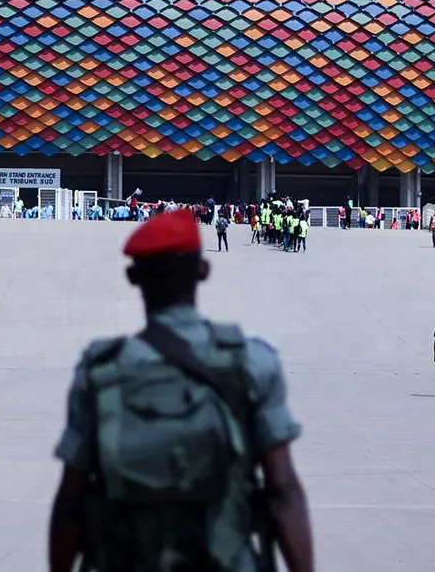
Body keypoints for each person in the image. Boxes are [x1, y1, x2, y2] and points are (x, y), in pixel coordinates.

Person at [49, 210, 314, 572]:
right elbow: (283, 489)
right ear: (203, 271)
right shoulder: (251, 364)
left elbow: (70, 500)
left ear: (132, 277)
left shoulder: (100, 371)